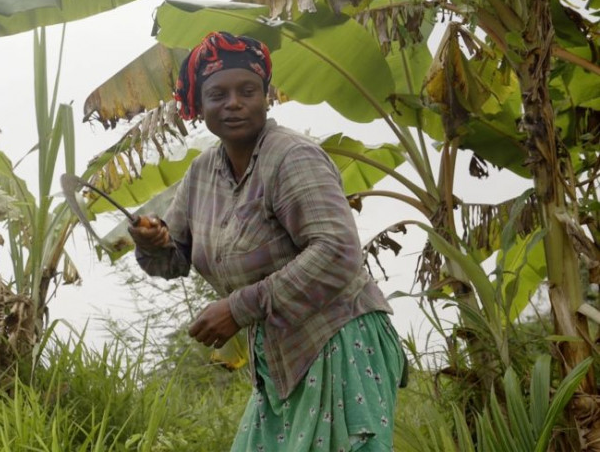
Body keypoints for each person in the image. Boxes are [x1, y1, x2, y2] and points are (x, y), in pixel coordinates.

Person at [128, 31, 405, 451]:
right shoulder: (202, 173)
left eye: (247, 91)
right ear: (199, 105)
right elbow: (175, 258)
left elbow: (337, 252)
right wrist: (151, 242)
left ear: (266, 97)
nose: (233, 103)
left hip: (340, 340)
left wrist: (237, 308)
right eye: (218, 94)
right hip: (278, 359)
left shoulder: (292, 157)